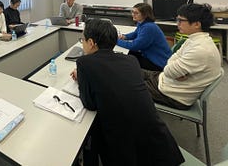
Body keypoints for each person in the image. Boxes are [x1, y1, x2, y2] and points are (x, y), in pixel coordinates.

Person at [71, 19, 184, 166]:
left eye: (83, 40)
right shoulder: (131, 60)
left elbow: (90, 104)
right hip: (160, 144)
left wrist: (82, 79)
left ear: (91, 43)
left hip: (127, 149)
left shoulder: (84, 63)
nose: (83, 43)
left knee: (94, 127)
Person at [142, 3, 222, 110]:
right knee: (132, 70)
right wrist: (174, 67)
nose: (177, 24)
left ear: (197, 24)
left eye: (181, 20)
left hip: (172, 95)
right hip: (167, 82)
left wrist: (173, 67)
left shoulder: (200, 49)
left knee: (124, 83)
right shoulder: (195, 40)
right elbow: (173, 57)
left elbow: (168, 70)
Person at [117, 2, 172, 71]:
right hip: (150, 56)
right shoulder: (142, 23)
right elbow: (135, 34)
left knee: (125, 60)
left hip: (158, 63)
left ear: (145, 14)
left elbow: (134, 46)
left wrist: (116, 41)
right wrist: (124, 36)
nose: (133, 15)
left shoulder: (148, 27)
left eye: (136, 13)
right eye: (132, 12)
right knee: (126, 54)